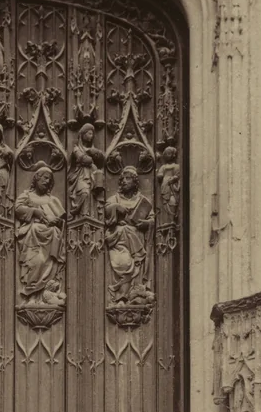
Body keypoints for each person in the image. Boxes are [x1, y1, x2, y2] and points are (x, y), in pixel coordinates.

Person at [15, 163, 66, 305]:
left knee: (47, 263)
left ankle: (45, 293)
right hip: (34, 237)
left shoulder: (53, 200)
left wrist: (56, 222)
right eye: (44, 177)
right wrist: (35, 211)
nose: (47, 181)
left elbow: (62, 220)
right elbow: (18, 209)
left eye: (49, 179)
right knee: (37, 261)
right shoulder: (27, 195)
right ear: (36, 179)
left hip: (51, 238)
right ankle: (32, 294)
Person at [104, 165, 154, 306]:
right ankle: (120, 295)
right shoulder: (115, 199)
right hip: (118, 237)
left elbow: (151, 218)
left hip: (136, 237)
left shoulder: (142, 201)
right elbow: (105, 210)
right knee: (123, 263)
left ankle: (129, 296)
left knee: (135, 267)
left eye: (128, 178)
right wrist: (115, 207)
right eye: (123, 179)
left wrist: (147, 223)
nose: (124, 181)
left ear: (135, 182)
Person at [68, 123, 104, 218]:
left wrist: (97, 154)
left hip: (93, 177)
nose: (91, 136)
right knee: (85, 193)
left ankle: (90, 216)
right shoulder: (76, 149)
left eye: (92, 134)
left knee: (92, 196)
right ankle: (81, 216)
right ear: (83, 134)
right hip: (81, 175)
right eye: (89, 133)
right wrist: (92, 157)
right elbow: (84, 159)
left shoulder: (93, 150)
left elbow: (102, 161)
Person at [157, 146, 181, 220]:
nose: (167, 155)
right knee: (164, 201)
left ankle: (172, 219)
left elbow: (177, 175)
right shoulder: (163, 166)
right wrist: (160, 175)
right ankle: (166, 219)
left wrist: (174, 178)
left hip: (172, 185)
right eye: (166, 154)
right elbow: (159, 174)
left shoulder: (176, 166)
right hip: (165, 185)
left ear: (173, 155)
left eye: (169, 153)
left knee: (172, 200)